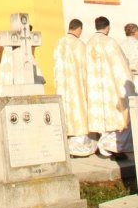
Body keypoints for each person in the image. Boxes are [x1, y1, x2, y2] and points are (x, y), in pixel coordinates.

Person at [85, 16, 132, 157]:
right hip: (110, 86)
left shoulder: (89, 44)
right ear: (108, 27)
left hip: (94, 88)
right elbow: (121, 65)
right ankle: (111, 145)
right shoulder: (110, 43)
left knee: (102, 118)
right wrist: (127, 83)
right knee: (117, 118)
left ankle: (103, 143)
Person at [53, 19, 95, 157]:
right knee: (78, 114)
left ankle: (66, 146)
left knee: (66, 114)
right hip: (77, 87)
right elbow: (87, 68)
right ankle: (79, 148)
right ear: (79, 29)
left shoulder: (59, 43)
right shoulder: (80, 45)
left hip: (63, 87)